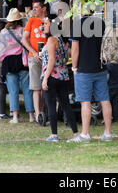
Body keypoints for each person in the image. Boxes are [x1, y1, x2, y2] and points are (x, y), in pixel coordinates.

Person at [68, 12, 113, 143]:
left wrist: (74, 67)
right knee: (105, 99)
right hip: (100, 67)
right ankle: (108, 133)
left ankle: (85, 134)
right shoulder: (101, 23)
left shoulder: (78, 24)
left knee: (85, 101)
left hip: (83, 68)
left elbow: (75, 48)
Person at [41, 14, 79, 142]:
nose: (43, 26)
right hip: (63, 76)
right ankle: (75, 132)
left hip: (52, 76)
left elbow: (52, 60)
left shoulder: (52, 40)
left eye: (46, 24)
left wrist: (45, 78)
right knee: (66, 105)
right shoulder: (63, 40)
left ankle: (54, 134)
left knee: (51, 105)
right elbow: (66, 57)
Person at [0, 8, 34, 124]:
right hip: (22, 61)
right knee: (27, 90)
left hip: (8, 63)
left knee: (13, 91)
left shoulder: (3, 32)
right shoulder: (23, 31)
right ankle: (31, 115)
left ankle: (15, 116)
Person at [22, 0, 48, 121]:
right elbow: (24, 40)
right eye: (34, 7)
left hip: (48, 57)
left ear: (44, 8)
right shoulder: (31, 21)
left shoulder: (50, 21)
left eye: (36, 7)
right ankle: (38, 115)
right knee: (36, 87)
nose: (34, 10)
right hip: (34, 57)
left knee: (45, 87)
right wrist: (34, 52)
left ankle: (43, 111)